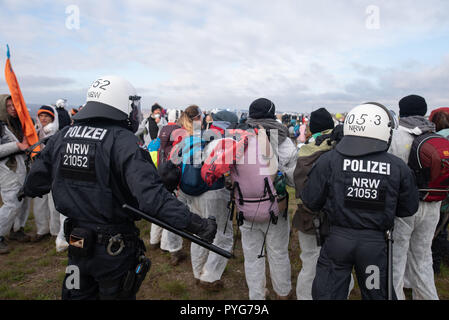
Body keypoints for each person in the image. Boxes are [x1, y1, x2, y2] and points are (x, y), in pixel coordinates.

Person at [22, 75, 217, 300]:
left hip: (77, 243)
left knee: (75, 293)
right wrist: (198, 225)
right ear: (120, 103)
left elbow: (34, 183)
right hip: (112, 250)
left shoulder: (63, 136)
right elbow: (153, 198)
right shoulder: (123, 141)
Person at [302, 102, 419, 300]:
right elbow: (408, 208)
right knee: (376, 294)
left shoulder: (329, 160)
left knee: (328, 294)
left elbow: (311, 200)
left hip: (337, 241)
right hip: (374, 246)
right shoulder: (397, 167)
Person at [237, 98, 297, 300]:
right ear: (272, 114)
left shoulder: (238, 136)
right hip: (274, 208)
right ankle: (282, 292)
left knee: (252, 255)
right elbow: (292, 178)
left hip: (244, 206)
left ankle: (257, 296)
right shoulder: (282, 139)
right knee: (278, 252)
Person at [292, 107, 355, 300]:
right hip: (342, 217)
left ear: (312, 128)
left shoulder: (304, 150)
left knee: (310, 262)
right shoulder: (346, 147)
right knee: (343, 263)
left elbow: (297, 184)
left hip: (309, 217)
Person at [172, 106, 230, 291]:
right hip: (212, 191)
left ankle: (198, 272)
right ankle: (210, 277)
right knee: (223, 235)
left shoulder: (187, 138)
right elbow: (225, 169)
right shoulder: (217, 140)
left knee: (199, 232)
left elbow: (175, 160)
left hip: (189, 191)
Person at [388, 95, 440, 300]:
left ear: (401, 112)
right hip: (432, 204)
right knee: (423, 258)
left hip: (403, 208)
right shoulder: (437, 137)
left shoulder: (396, 136)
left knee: (397, 260)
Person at [149, 109, 187, 266]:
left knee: (159, 207)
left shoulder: (162, 129)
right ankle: (169, 246)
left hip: (160, 171)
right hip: (173, 174)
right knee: (172, 211)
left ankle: (154, 239)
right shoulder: (180, 131)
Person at [0, 94, 31, 253]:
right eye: (9, 106)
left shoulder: (18, 123)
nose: (12, 109)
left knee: (23, 200)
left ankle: (17, 229)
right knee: (11, 203)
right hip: (6, 170)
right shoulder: (0, 126)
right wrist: (17, 146)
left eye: (14, 106)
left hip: (21, 167)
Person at [31, 105, 62, 242]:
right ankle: (42, 229)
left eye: (47, 116)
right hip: (38, 170)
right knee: (39, 202)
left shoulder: (56, 133)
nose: (43, 118)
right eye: (41, 116)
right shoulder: (35, 132)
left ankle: (55, 231)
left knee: (53, 202)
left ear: (52, 118)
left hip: (52, 171)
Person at [428, 108, 449, 274]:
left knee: (432, 234)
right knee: (442, 230)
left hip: (437, 193)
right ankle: (438, 263)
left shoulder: (437, 139)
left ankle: (433, 266)